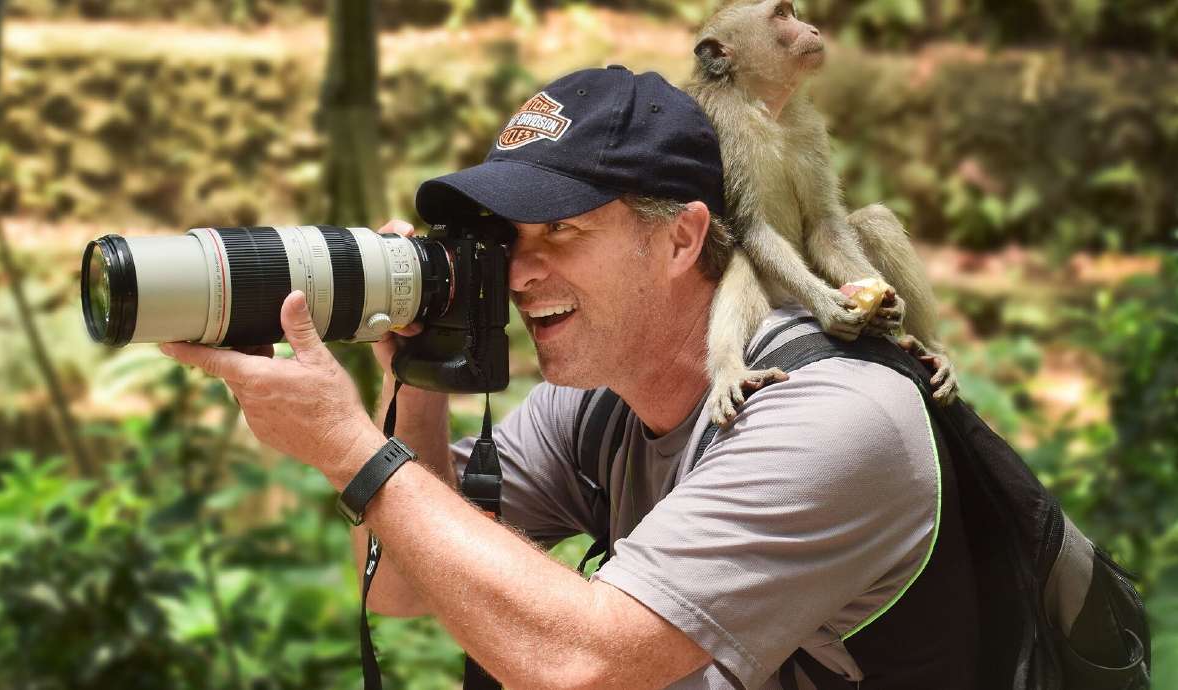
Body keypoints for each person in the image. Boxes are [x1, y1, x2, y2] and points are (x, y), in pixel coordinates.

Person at [161, 67, 979, 689]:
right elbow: (405, 582)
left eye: (561, 231)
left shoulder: (832, 416)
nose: (520, 273)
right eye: (510, 237)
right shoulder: (589, 407)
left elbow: (582, 664)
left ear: (680, 240)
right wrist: (417, 375)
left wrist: (347, 450)